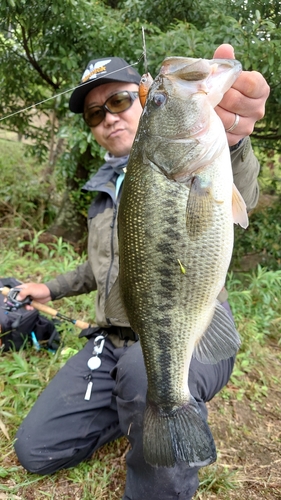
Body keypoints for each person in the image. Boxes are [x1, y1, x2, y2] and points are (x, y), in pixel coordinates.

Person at [13, 44, 270, 499]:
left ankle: (160, 431)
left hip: (190, 327)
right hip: (113, 340)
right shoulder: (102, 189)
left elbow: (239, 194)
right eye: (95, 113)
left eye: (120, 101)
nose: (108, 117)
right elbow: (99, 268)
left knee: (147, 375)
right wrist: (49, 288)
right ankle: (133, 408)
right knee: (36, 449)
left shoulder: (198, 160)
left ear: (144, 94)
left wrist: (234, 140)